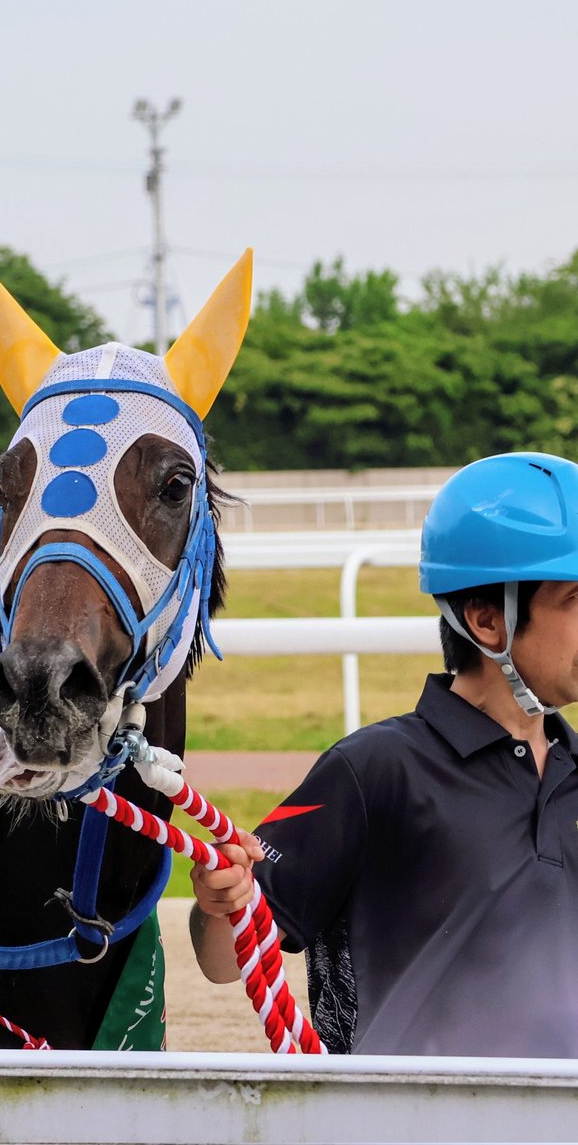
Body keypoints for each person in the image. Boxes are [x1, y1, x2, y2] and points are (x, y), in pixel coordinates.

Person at [190, 451, 578, 1056]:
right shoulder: (373, 770)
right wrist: (223, 903)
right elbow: (223, 960)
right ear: (486, 620)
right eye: (576, 598)